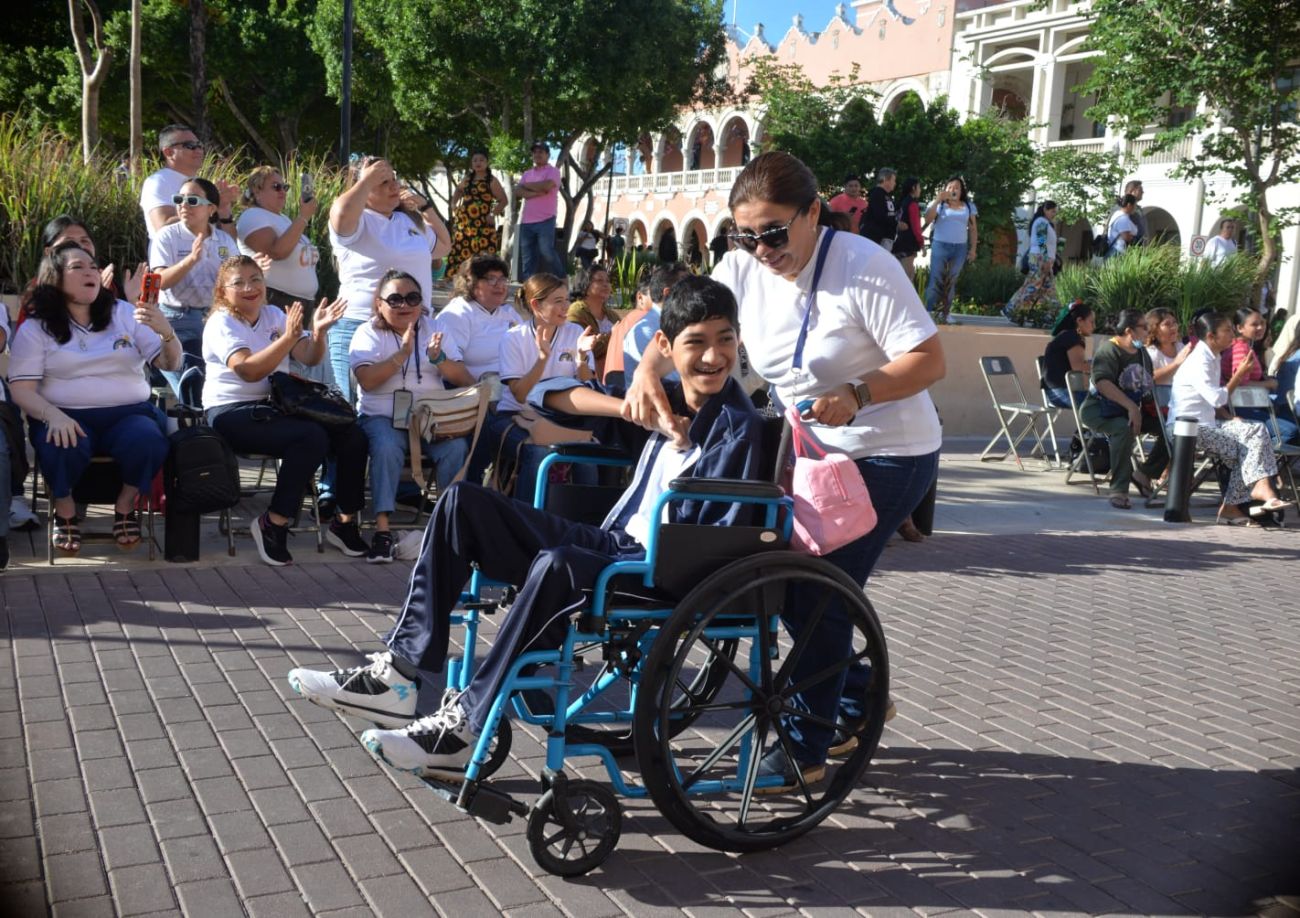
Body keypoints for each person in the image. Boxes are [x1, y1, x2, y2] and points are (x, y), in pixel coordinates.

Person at [287, 276, 766, 779]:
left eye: (725, 339)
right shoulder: (663, 398)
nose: (713, 356)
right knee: (460, 502)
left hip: (657, 568)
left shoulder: (738, 426)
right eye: (696, 342)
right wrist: (633, 402)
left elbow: (716, 531)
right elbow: (553, 394)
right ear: (667, 347)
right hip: (615, 544)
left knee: (560, 565)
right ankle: (399, 676)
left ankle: (465, 726)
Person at [627, 151, 944, 790]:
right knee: (783, 583)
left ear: (813, 214)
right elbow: (688, 324)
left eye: (774, 232)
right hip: (807, 449)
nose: (761, 248)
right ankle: (853, 696)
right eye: (747, 234)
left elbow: (930, 359)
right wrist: (644, 369)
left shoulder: (865, 267)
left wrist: (858, 392)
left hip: (885, 450)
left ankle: (804, 749)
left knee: (814, 588)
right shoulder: (741, 265)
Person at [9, 244, 182, 554]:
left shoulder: (124, 312)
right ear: (55, 278)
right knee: (60, 442)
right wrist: (53, 415)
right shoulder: (36, 327)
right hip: (65, 414)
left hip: (128, 413)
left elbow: (170, 364)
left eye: (92, 265)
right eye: (78, 267)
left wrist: (167, 333)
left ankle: (125, 503)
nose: (90, 271)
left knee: (149, 440)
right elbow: (21, 389)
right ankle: (64, 508)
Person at [200, 256, 369, 566]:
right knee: (311, 437)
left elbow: (309, 356)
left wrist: (318, 333)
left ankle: (344, 522)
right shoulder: (221, 322)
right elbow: (248, 371)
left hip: (278, 407)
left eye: (255, 279)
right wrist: (288, 338)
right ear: (223, 291)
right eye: (239, 282)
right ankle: (273, 522)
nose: (250, 287)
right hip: (230, 412)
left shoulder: (275, 314)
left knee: (353, 434)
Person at [351, 271, 469, 564]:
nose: (405, 305)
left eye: (412, 298)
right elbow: (366, 380)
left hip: (428, 417)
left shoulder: (435, 327)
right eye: (395, 299)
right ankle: (382, 531)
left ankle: (447, 526)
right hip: (382, 416)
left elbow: (465, 379)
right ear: (379, 304)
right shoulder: (368, 332)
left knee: (456, 448)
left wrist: (440, 359)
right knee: (387, 448)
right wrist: (402, 354)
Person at [328, 155, 452, 405]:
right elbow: (341, 213)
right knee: (352, 409)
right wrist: (368, 178)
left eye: (393, 179)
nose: (393, 186)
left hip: (412, 327)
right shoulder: (358, 219)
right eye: (382, 182)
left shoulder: (408, 220)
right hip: (360, 325)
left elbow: (443, 247)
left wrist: (426, 208)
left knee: (408, 407)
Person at [1169, 311, 1293, 523]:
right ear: (1211, 336)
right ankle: (1247, 496)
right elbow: (1217, 398)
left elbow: (1212, 402)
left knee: (1256, 430)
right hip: (1187, 430)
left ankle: (1252, 492)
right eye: (1226, 330)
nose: (1232, 334)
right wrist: (1238, 374)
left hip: (1208, 425)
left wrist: (1228, 417)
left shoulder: (1212, 356)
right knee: (1248, 446)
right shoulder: (1200, 360)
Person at [484, 274, 597, 498]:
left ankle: (587, 525)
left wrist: (582, 358)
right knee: (539, 454)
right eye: (558, 301)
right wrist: (542, 359)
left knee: (588, 457)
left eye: (567, 299)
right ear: (536, 304)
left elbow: (589, 386)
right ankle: (527, 519)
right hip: (515, 417)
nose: (566, 307)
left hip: (562, 419)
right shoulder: (514, 337)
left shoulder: (575, 333)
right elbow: (519, 395)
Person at [150, 177, 240, 403]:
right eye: (179, 199)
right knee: (190, 386)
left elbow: (233, 281)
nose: (183, 205)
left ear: (211, 209)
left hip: (213, 318)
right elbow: (158, 280)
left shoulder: (224, 240)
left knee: (216, 383)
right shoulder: (166, 236)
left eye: (192, 200)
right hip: (175, 321)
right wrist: (189, 261)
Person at [1078, 309, 1169, 509]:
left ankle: (1144, 474)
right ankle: (1119, 489)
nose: (1148, 331)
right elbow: (1102, 383)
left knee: (1172, 430)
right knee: (1122, 428)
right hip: (1100, 409)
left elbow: (1146, 385)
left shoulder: (1142, 353)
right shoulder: (1109, 351)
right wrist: (1131, 408)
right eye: (1144, 328)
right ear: (1129, 331)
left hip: (1131, 410)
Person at [235, 166, 321, 309]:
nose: (282, 191)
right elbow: (276, 252)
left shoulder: (284, 219)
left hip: (301, 303)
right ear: (257, 191)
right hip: (276, 301)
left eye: (284, 187)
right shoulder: (253, 215)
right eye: (276, 187)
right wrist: (303, 217)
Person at [139, 124, 237, 239]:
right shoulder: (158, 181)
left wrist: (223, 210)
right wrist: (204, 207)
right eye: (190, 145)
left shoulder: (201, 183)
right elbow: (162, 227)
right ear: (168, 152)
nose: (199, 150)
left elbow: (230, 242)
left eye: (199, 145)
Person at [621, 261, 693, 383]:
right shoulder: (644, 331)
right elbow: (671, 381)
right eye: (687, 289)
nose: (693, 294)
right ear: (667, 293)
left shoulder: (678, 323)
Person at [923, 176, 978, 322]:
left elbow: (973, 229)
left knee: (951, 280)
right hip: (941, 245)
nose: (953, 190)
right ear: (945, 188)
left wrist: (973, 249)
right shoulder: (940, 204)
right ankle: (929, 311)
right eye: (950, 187)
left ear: (962, 191)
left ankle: (945, 312)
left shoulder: (968, 206)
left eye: (957, 188)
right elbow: (927, 219)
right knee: (936, 277)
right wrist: (937, 200)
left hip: (959, 247)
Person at [446, 149, 507, 271]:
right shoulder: (467, 178)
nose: (478, 162)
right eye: (475, 160)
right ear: (471, 164)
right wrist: (453, 204)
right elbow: (458, 190)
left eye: (481, 160)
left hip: (482, 222)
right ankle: (456, 278)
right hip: (464, 221)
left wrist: (492, 214)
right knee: (460, 248)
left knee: (483, 253)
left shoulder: (491, 180)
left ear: (487, 162)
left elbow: (504, 200)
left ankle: (483, 279)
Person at [1003, 201, 1061, 319]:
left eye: (1055, 212)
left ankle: (1050, 315)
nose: (1054, 214)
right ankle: (1011, 309)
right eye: (1052, 211)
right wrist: (1046, 259)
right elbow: (1041, 241)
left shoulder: (1046, 223)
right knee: (1033, 285)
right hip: (1040, 258)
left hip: (1044, 258)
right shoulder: (1041, 222)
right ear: (1045, 209)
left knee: (1048, 289)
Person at [514, 143, 564, 279]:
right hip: (527, 221)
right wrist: (537, 191)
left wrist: (526, 186)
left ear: (548, 155)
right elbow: (518, 191)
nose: (537, 154)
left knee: (547, 251)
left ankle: (562, 278)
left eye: (541, 152)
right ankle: (529, 286)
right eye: (535, 152)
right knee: (527, 257)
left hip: (546, 219)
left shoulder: (553, 171)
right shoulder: (527, 173)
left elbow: (547, 186)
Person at [566, 263, 622, 379]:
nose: (606, 285)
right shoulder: (576, 312)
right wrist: (612, 335)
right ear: (585, 284)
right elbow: (588, 350)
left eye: (607, 281)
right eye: (599, 281)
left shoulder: (612, 315)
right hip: (584, 374)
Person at [1041, 301, 1095, 408]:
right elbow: (1079, 366)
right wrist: (1106, 366)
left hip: (1053, 393)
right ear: (1079, 321)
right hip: (1060, 393)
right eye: (1091, 322)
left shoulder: (1067, 335)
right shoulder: (1072, 337)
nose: (1094, 326)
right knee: (1109, 403)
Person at [1145, 307, 1193, 386]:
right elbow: (1149, 380)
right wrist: (1176, 364)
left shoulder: (1181, 347)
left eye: (1174, 323)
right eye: (1167, 324)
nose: (1173, 327)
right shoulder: (1151, 352)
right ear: (1154, 329)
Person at [892, 177, 924, 282]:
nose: (920, 189)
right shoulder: (912, 204)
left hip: (898, 243)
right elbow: (916, 227)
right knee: (907, 278)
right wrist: (921, 243)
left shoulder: (901, 202)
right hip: (908, 245)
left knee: (897, 275)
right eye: (919, 187)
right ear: (913, 188)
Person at [860, 168, 899, 250]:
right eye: (893, 180)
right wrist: (896, 224)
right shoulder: (877, 194)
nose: (895, 183)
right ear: (885, 179)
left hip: (885, 238)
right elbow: (880, 215)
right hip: (877, 238)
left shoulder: (887, 196)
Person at [1123, 180, 1148, 246]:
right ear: (1132, 191)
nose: (1143, 192)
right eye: (1140, 190)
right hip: (1126, 250)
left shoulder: (1138, 209)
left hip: (1138, 248)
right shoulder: (1121, 207)